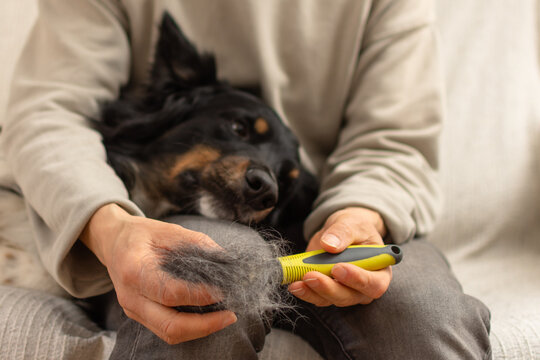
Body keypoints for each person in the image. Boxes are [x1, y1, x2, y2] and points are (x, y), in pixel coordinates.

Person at [0, 0, 491, 359]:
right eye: (238, 133)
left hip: (336, 214)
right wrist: (110, 228)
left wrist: (361, 214)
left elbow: (395, 141)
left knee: (427, 313)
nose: (265, 181)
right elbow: (49, 114)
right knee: (200, 281)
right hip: (156, 218)